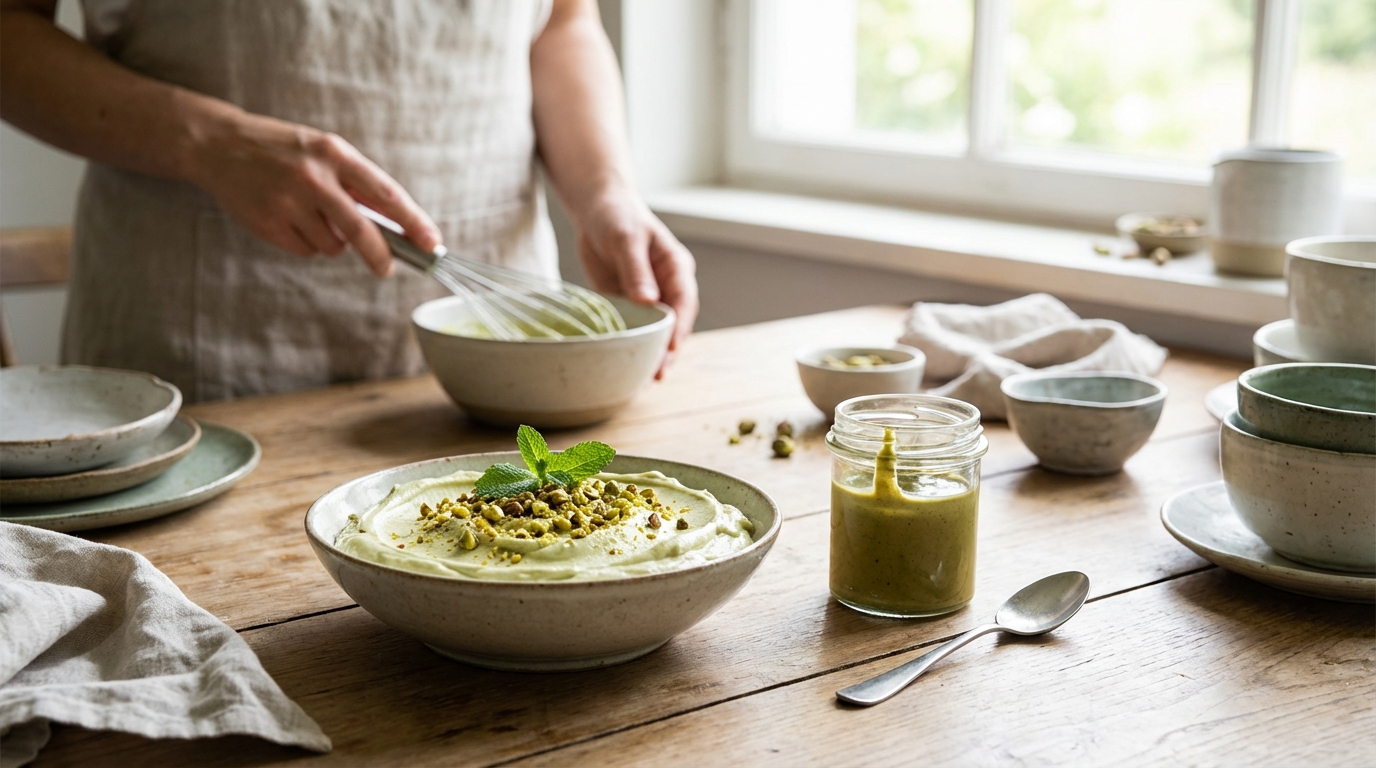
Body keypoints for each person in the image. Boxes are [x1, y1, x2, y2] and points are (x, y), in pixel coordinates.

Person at [0, 0, 698, 402]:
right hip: (203, 351)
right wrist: (209, 141)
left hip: (508, 356)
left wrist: (606, 189)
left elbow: (561, 23)